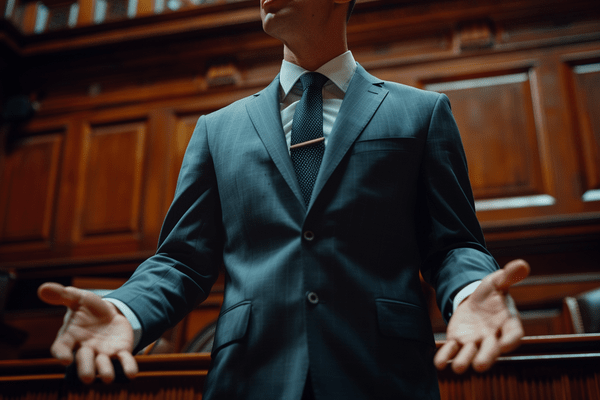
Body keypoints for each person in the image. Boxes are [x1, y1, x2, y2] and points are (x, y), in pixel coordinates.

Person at [38, 0, 531, 398]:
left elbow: (452, 244)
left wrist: (468, 293)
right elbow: (182, 260)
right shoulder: (217, 129)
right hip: (249, 376)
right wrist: (126, 310)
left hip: (383, 375)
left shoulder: (420, 113)